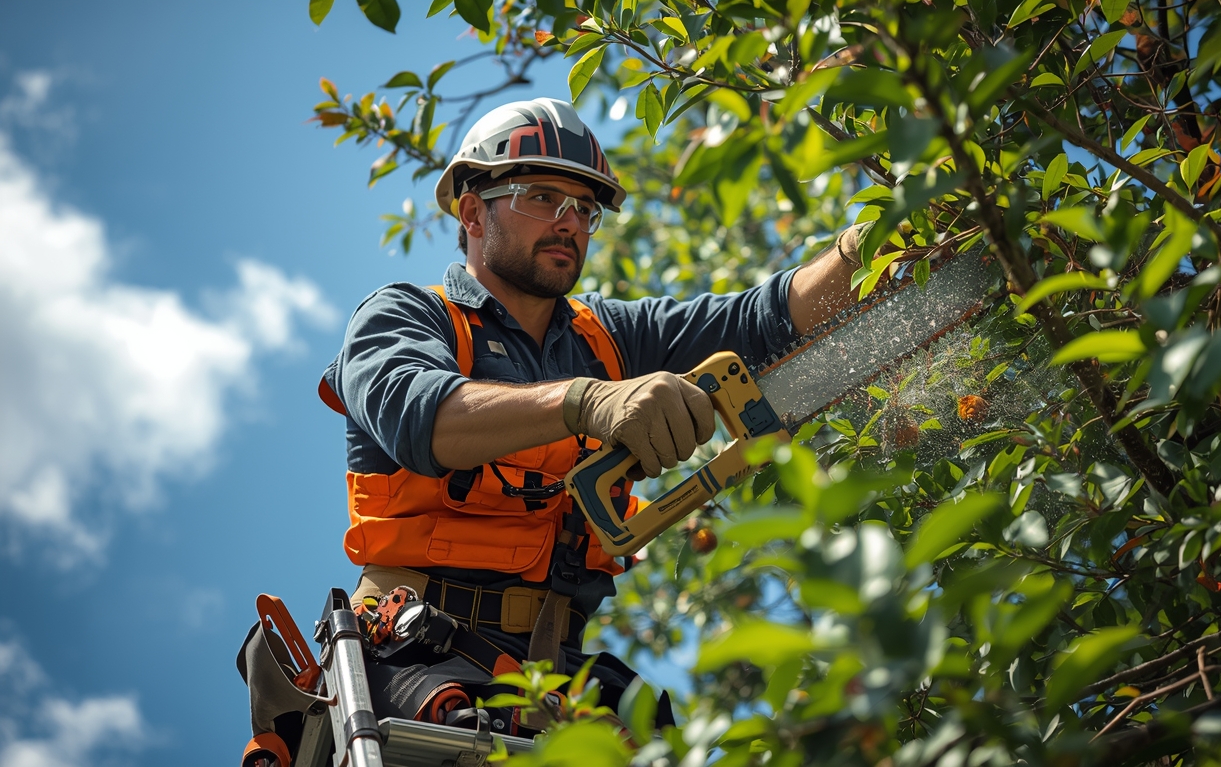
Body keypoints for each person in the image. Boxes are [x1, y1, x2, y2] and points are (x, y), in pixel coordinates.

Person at [313, 97, 871, 742]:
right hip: (413, 649)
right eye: (542, 197)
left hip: (555, 666)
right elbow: (425, 418)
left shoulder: (608, 336)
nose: (569, 222)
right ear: (472, 211)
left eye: (584, 209)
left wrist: (861, 252)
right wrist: (586, 401)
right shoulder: (405, 316)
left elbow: (759, 320)